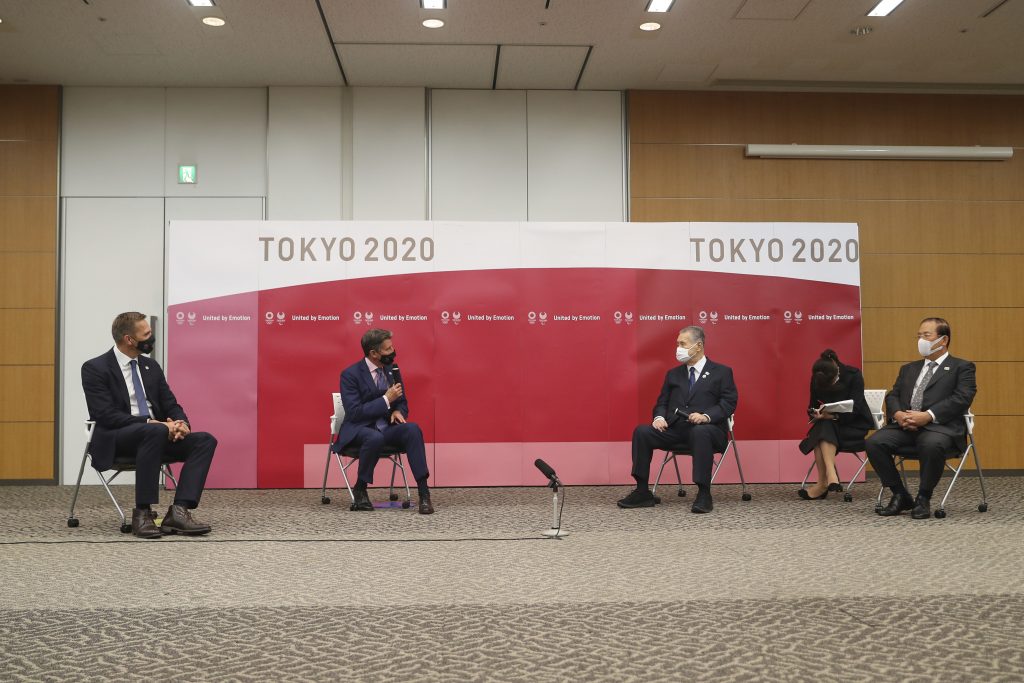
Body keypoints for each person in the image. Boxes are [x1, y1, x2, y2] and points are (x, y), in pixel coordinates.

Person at [81, 312, 217, 538]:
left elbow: (170, 403)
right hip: (119, 438)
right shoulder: (95, 368)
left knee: (205, 440)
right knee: (153, 430)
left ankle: (179, 512)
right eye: (146, 334)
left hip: (157, 435)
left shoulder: (150, 366)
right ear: (129, 340)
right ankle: (142, 514)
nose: (151, 338)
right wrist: (152, 423)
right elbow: (104, 415)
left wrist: (180, 423)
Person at [618, 325, 738, 514]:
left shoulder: (721, 372)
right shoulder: (673, 374)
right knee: (642, 431)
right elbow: (662, 403)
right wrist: (658, 417)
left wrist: (706, 416)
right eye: (677, 344)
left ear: (698, 346)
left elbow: (728, 403)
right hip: (676, 431)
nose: (678, 348)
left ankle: (704, 493)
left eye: (683, 344)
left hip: (709, 432)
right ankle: (642, 491)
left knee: (700, 432)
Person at [866, 317, 976, 519]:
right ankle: (900, 495)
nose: (921, 340)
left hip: (940, 428)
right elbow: (893, 395)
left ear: (943, 340)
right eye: (919, 336)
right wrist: (898, 414)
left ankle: (923, 498)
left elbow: (962, 398)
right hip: (905, 426)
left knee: (931, 443)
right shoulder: (909, 369)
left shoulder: (962, 367)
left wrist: (928, 416)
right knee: (874, 442)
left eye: (926, 335)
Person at [334, 328, 434, 514]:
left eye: (392, 346)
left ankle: (424, 492)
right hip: (359, 430)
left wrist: (397, 410)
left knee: (412, 429)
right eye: (388, 349)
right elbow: (355, 413)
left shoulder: (391, 370)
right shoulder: (350, 375)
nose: (393, 352)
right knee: (374, 438)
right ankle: (361, 489)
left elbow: (402, 402)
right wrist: (386, 400)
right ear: (373, 353)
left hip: (386, 428)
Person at [797, 349, 874, 500]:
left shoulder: (854, 375)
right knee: (823, 426)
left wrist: (832, 416)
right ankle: (830, 477)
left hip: (853, 426)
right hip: (829, 426)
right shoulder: (817, 378)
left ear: (836, 372)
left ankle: (822, 483)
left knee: (822, 429)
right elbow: (812, 405)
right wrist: (815, 413)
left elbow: (856, 409)